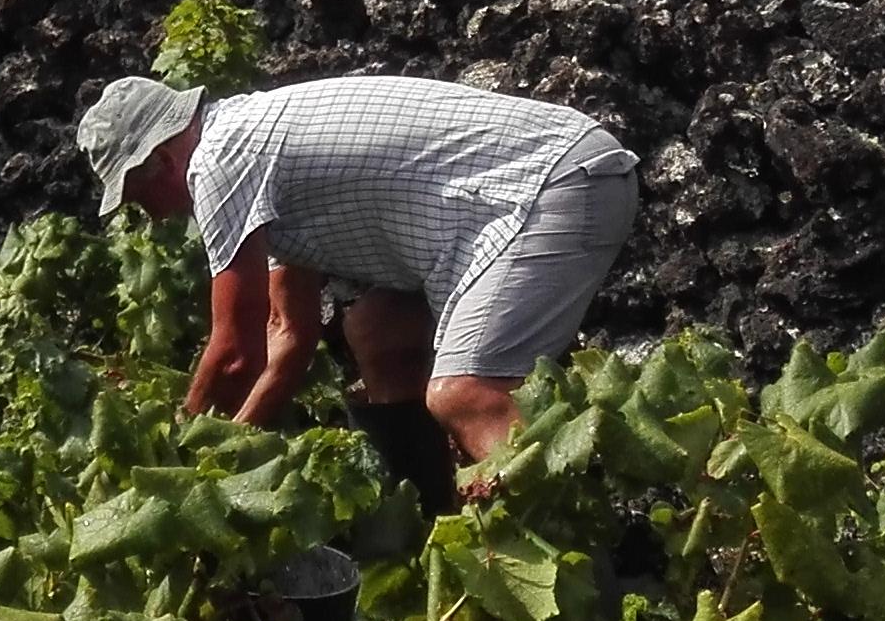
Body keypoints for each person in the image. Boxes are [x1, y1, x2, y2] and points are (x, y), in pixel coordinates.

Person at [78, 67, 638, 488]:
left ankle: (549, 566)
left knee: (464, 393)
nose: (149, 215)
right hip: (532, 189)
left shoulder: (219, 160)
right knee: (377, 332)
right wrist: (228, 451)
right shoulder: (252, 144)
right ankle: (428, 525)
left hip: (552, 185)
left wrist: (178, 454)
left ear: (164, 160)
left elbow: (234, 354)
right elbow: (287, 335)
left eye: (135, 194)